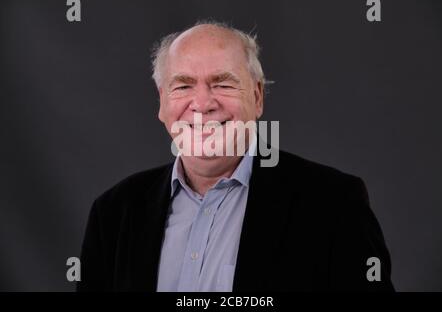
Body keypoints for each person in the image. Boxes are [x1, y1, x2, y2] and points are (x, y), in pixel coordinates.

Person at [77, 21, 394, 291]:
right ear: (162, 103)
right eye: (183, 86)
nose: (202, 103)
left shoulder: (333, 204)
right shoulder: (114, 214)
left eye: (223, 83)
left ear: (257, 97)